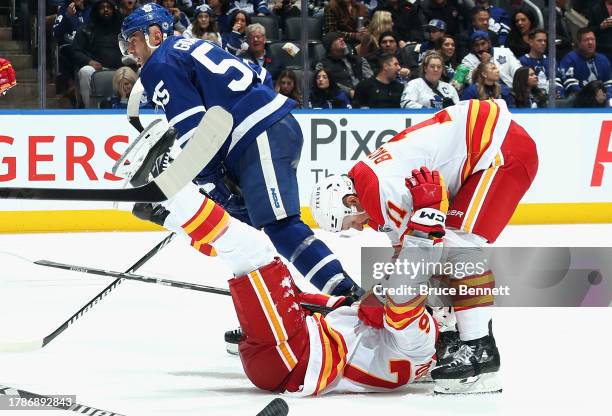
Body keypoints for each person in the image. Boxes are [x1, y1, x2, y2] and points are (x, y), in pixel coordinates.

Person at [120, 4, 362, 306]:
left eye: (133, 40)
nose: (130, 49)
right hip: (259, 135)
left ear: (155, 34)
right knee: (243, 229)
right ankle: (284, 308)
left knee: (279, 226)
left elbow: (194, 134)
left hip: (257, 134)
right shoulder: (193, 46)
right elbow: (257, 75)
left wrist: (212, 183)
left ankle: (351, 297)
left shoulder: (161, 63)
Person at [310, 99, 539, 394]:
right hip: (489, 143)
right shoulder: (368, 184)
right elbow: (406, 256)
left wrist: (382, 297)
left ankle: (480, 354)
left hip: (501, 148)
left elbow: (421, 255)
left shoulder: (379, 192)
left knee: (459, 249)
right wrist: (382, 292)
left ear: (350, 202)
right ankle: (459, 337)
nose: (357, 228)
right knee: (446, 251)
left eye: (349, 222)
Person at [72, 0, 124, 108]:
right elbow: (75, 51)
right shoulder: (86, 29)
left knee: (141, 70)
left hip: (122, 68)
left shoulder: (123, 30)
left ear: (113, 10)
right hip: (97, 68)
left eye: (108, 7)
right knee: (85, 71)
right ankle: (90, 110)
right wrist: (89, 61)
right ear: (96, 11)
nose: (105, 10)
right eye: (102, 8)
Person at [315, 32, 374, 99]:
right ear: (330, 46)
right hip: (340, 99)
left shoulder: (359, 60)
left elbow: (371, 79)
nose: (342, 39)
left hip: (365, 96)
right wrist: (349, 91)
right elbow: (328, 84)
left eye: (341, 37)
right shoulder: (322, 65)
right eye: (336, 39)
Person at [559, 28, 612, 100]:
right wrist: (591, 97)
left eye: (592, 39)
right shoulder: (569, 59)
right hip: (579, 99)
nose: (590, 42)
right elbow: (571, 85)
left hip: (601, 99)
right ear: (579, 43)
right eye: (586, 40)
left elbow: (608, 83)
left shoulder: (603, 59)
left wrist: (607, 95)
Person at [519, 29, 564, 99]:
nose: (543, 43)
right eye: (539, 40)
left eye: (545, 41)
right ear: (530, 42)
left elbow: (557, 80)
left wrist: (557, 92)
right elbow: (523, 86)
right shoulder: (522, 61)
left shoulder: (551, 61)